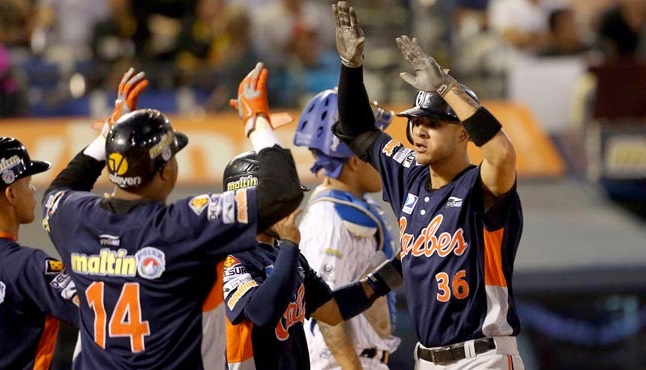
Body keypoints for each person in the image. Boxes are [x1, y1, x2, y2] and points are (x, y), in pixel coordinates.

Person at [41, 62, 304, 369]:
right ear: (165, 171)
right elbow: (282, 192)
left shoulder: (77, 220)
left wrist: (107, 140)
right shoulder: (181, 227)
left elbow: (57, 191)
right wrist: (255, 121)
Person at [331, 2, 525, 369]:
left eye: (434, 123)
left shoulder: (479, 186)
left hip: (483, 356)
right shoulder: (409, 175)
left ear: (463, 133)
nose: (420, 130)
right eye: (417, 121)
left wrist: (448, 87)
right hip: (426, 359)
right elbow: (357, 129)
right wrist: (352, 69)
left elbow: (501, 155)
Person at [221, 151, 403, 370]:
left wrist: (397, 268)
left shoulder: (287, 256)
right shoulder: (228, 257)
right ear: (250, 199)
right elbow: (261, 313)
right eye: (280, 200)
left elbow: (333, 310)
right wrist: (289, 245)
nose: (288, 208)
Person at [293, 89, 400, 370]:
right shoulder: (328, 219)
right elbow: (325, 315)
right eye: (374, 149)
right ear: (355, 159)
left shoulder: (351, 206)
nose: (382, 157)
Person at [0, 136, 78, 370]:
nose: (32, 190)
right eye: (27, 183)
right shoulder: (30, 267)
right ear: (11, 194)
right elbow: (103, 316)